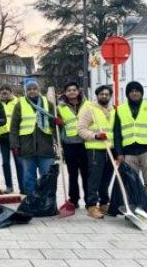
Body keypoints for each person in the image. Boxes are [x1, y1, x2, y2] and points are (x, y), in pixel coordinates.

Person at [113, 81, 147, 207]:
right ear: (128, 94)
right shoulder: (120, 109)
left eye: (137, 91)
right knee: (131, 182)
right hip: (129, 152)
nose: (134, 93)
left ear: (141, 93)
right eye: (131, 91)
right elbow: (117, 133)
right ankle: (133, 209)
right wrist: (119, 153)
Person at [10, 78, 56, 197]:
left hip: (45, 146)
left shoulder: (48, 103)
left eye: (34, 88)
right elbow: (14, 127)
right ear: (26, 91)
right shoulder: (20, 104)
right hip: (26, 146)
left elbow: (54, 122)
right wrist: (14, 145)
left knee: (46, 175)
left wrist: (57, 122)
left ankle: (46, 200)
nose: (32, 91)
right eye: (29, 89)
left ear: (39, 90)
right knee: (28, 176)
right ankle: (31, 199)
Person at [78, 85, 116, 219]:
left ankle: (104, 203)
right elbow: (81, 129)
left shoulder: (112, 110)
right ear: (97, 95)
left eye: (107, 94)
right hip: (95, 149)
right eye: (101, 94)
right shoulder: (89, 109)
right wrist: (95, 136)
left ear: (110, 96)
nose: (104, 96)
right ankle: (92, 205)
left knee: (106, 179)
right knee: (94, 179)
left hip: (109, 149)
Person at [56, 81, 91, 209]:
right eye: (69, 90)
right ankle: (73, 199)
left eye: (74, 90)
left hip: (85, 143)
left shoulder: (87, 105)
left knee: (86, 173)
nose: (72, 92)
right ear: (65, 92)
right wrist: (57, 122)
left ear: (78, 91)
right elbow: (56, 127)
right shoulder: (60, 107)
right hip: (69, 144)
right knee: (72, 173)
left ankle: (89, 199)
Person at [0, 84, 20, 194]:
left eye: (7, 90)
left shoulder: (18, 102)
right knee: (5, 163)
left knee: (19, 162)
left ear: (11, 91)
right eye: (2, 90)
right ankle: (9, 186)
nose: (4, 92)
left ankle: (22, 187)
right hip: (3, 137)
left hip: (16, 137)